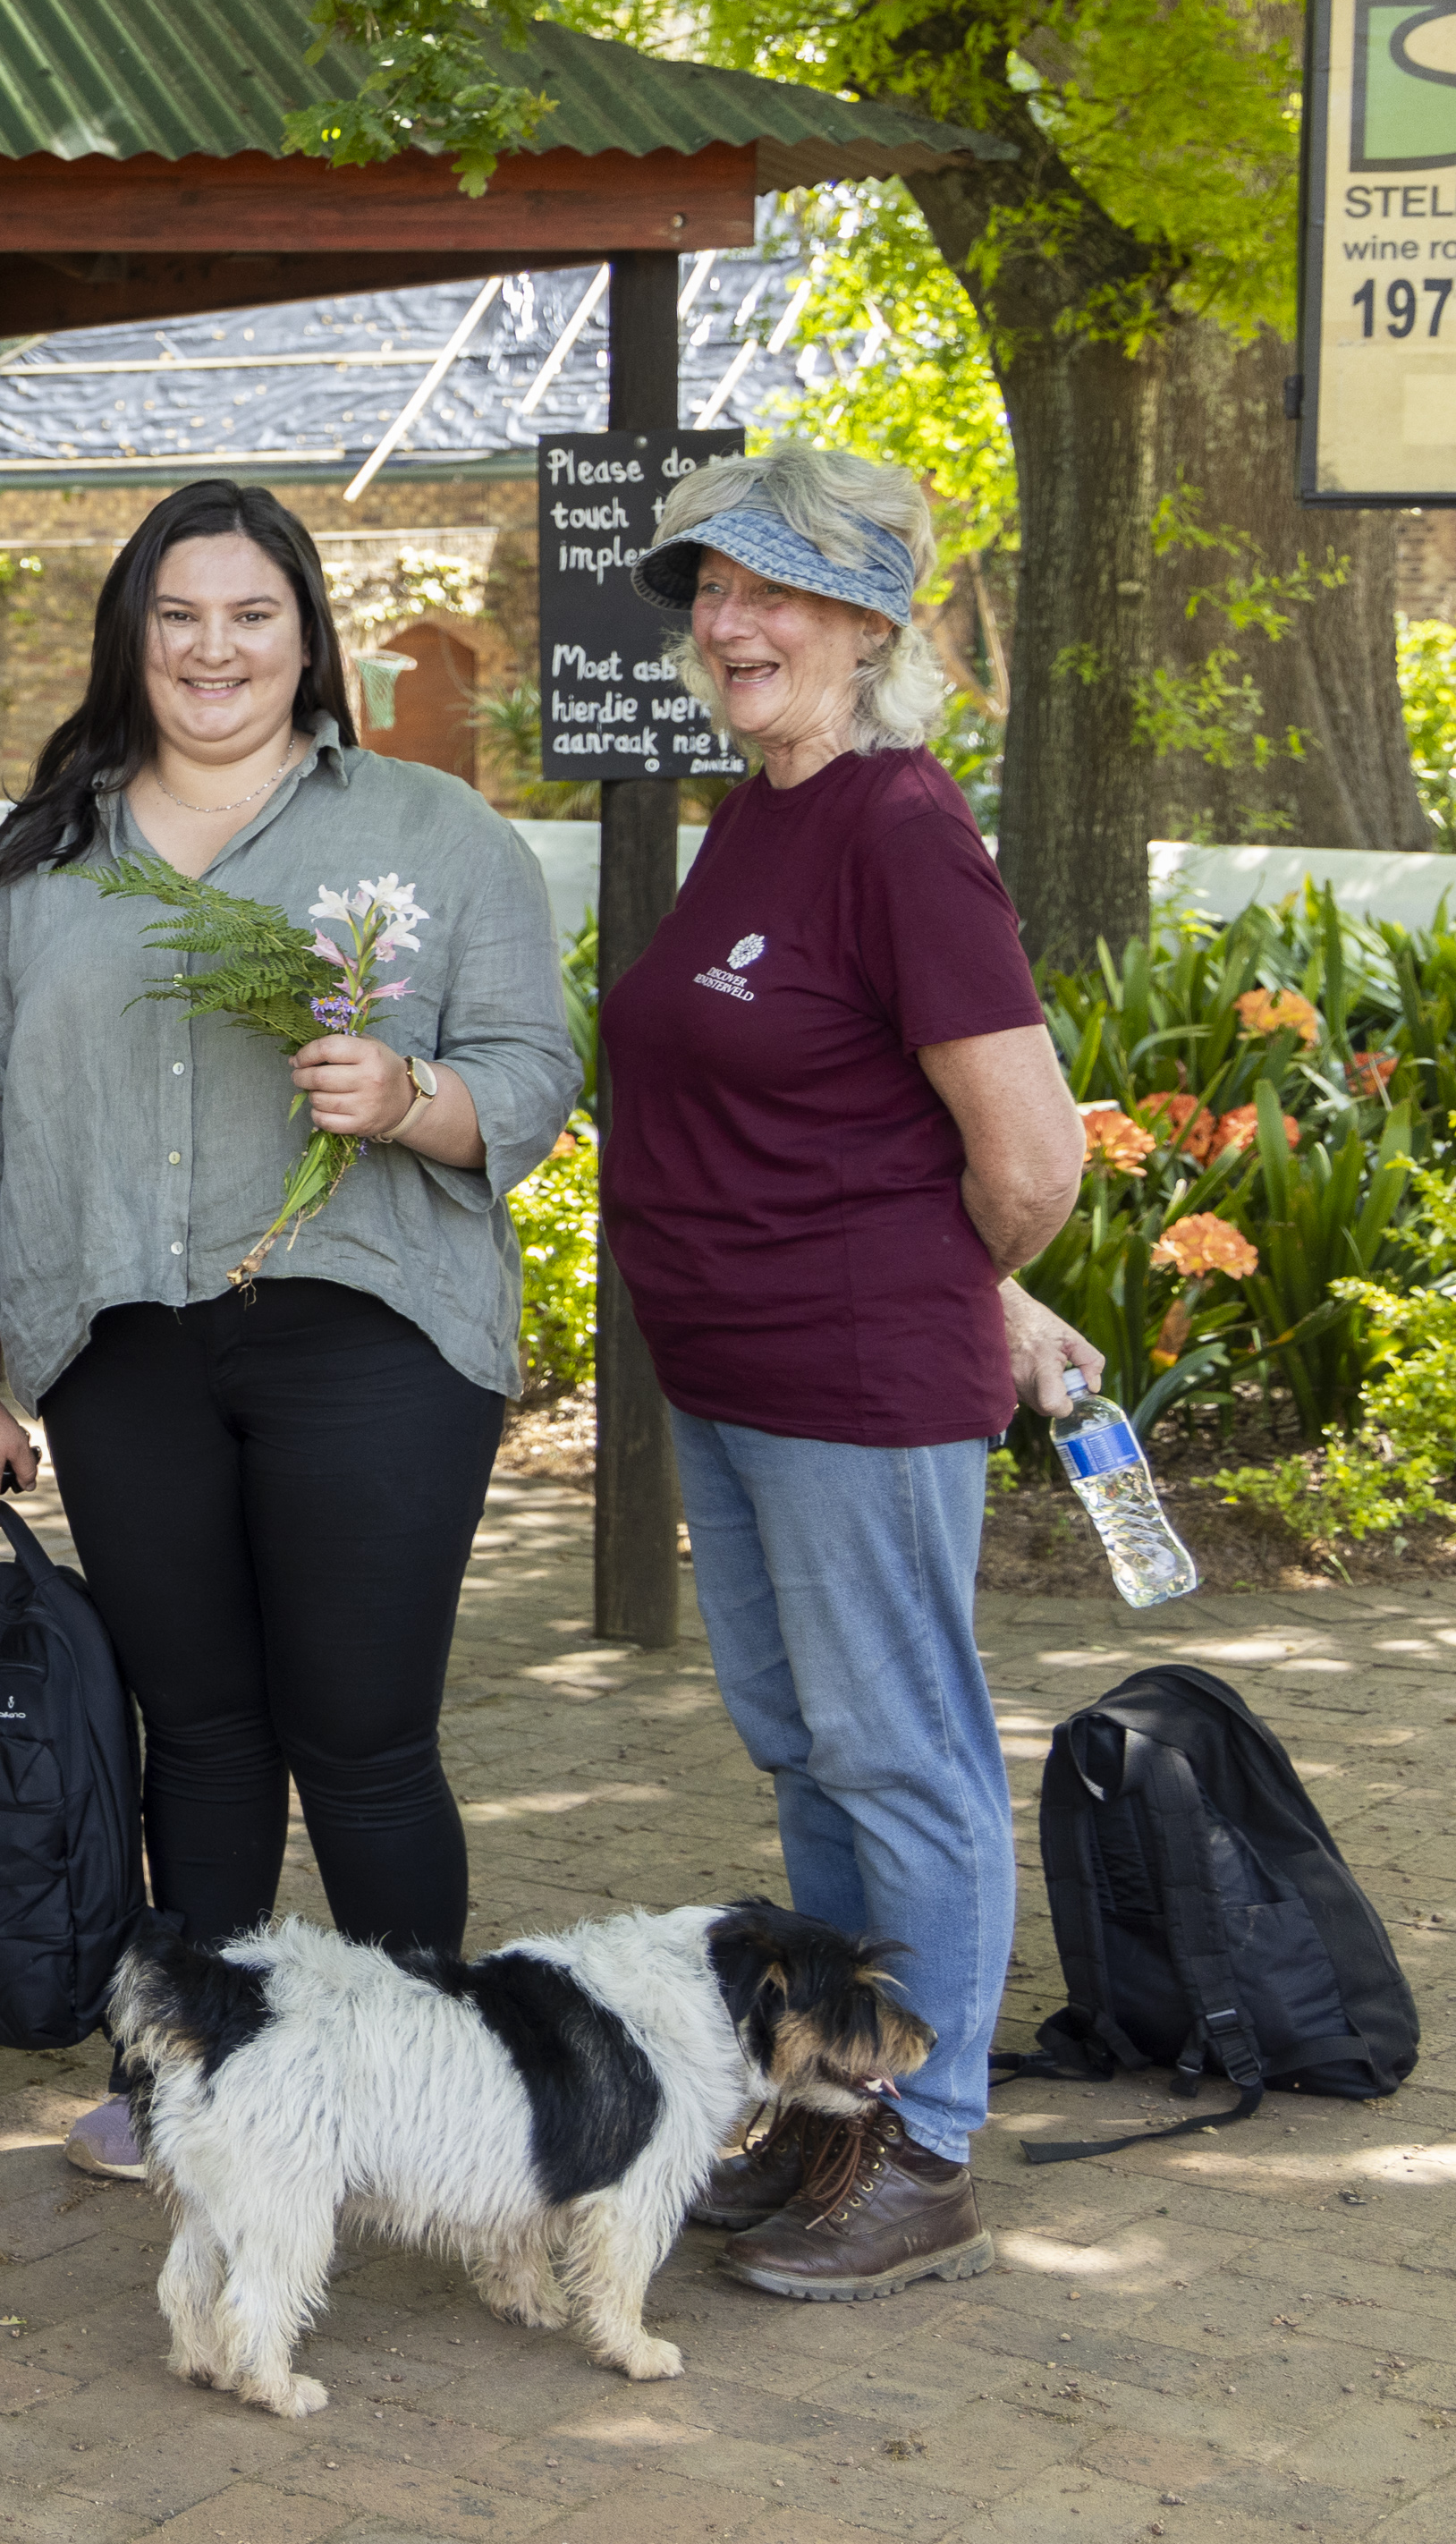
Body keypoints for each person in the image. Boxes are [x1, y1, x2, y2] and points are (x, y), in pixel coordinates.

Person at [0, 477, 578, 2180]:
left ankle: (432, 2103)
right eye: (179, 615)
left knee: (358, 1736)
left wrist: (412, 1095)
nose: (215, 648)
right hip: (124, 1349)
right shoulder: (36, 868)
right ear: (135, 637)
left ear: (305, 635)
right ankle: (197, 2089)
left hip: (369, 1333)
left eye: (251, 615)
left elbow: (538, 1074)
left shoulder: (433, 832)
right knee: (192, 1733)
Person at [602, 443, 1090, 2299]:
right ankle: (835, 2096)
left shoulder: (897, 824)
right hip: (730, 1377)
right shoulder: (762, 812)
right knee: (813, 1751)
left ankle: (932, 2140)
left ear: (872, 620)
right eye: (714, 591)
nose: (731, 622)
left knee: (905, 1756)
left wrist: (942, 1282)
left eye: (775, 590)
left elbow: (1030, 1159)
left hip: (851, 1378)